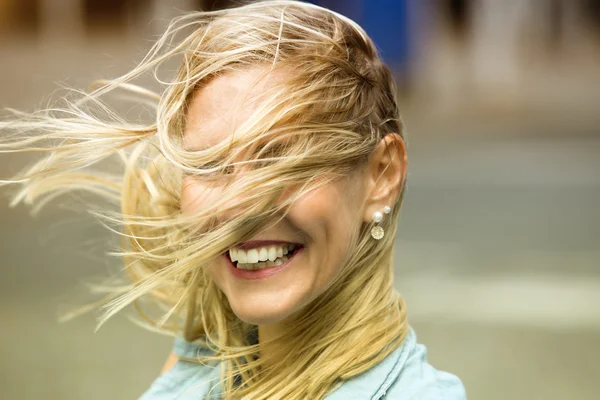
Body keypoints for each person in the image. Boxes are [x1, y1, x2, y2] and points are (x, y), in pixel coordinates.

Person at [0, 1, 466, 399]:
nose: (239, 208)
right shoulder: (207, 358)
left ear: (381, 176)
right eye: (210, 165)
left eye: (281, 160)